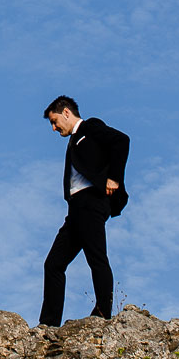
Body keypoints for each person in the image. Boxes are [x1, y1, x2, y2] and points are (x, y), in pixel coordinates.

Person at [38, 96, 130, 326]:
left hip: (92, 202)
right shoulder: (72, 142)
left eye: (55, 120)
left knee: (96, 257)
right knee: (53, 264)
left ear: (66, 113)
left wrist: (115, 179)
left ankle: (103, 313)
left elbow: (121, 141)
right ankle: (48, 324)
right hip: (76, 208)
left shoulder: (91, 127)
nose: (54, 127)